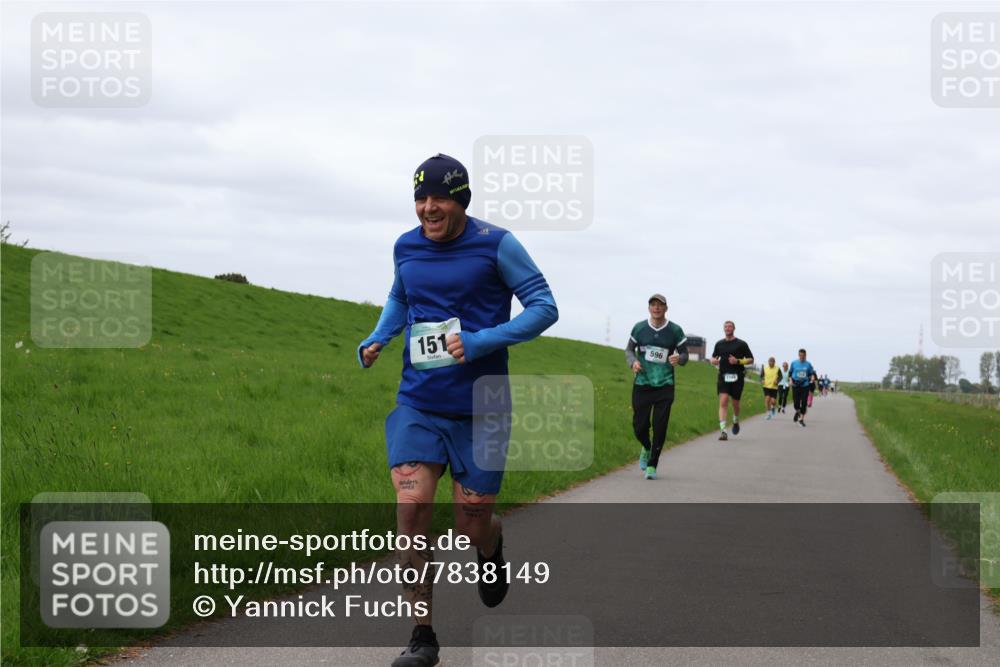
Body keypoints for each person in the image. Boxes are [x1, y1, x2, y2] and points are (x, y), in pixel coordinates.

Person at [358, 153, 558, 666]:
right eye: (420, 198)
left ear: (461, 199)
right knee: (412, 509)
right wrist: (380, 336)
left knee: (473, 520)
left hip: (482, 407)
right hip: (418, 403)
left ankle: (490, 549)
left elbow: (544, 307)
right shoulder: (406, 246)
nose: (428, 207)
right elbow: (401, 297)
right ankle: (422, 635)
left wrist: (482, 340)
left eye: (439, 197)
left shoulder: (497, 244)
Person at [625, 294, 689, 480]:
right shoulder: (639, 328)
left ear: (666, 308)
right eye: (653, 304)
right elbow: (629, 349)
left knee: (660, 426)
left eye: (660, 305)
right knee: (639, 426)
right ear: (649, 308)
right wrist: (633, 362)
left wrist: (680, 358)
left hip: (665, 385)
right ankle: (646, 446)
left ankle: (652, 465)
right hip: (642, 384)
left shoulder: (675, 330)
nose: (656, 308)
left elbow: (684, 354)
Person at [710, 321, 754, 440]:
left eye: (730, 326)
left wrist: (738, 361)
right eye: (725, 326)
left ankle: (735, 420)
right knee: (723, 401)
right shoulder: (719, 344)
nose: (727, 328)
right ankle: (723, 431)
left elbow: (751, 359)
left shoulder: (741, 344)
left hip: (737, 376)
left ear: (734, 328)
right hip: (723, 375)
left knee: (735, 403)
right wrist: (713, 360)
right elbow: (714, 357)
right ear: (723, 329)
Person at [788, 348, 817, 427]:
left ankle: (801, 419)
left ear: (805, 356)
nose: (802, 357)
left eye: (803, 356)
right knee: (796, 404)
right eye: (800, 355)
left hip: (805, 385)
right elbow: (790, 373)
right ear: (798, 355)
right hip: (795, 385)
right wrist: (790, 380)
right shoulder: (793, 363)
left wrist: (812, 378)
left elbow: (811, 373)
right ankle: (797, 412)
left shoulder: (808, 364)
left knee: (804, 403)